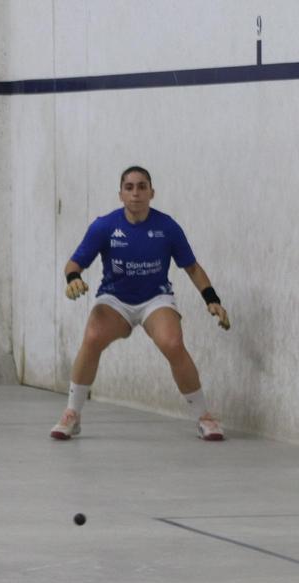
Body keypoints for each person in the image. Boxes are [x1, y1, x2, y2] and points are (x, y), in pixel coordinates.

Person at [51, 166, 231, 442]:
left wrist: (212, 300)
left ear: (151, 192)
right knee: (93, 335)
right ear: (120, 194)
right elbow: (74, 263)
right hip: (115, 299)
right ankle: (72, 414)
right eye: (129, 187)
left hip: (155, 298)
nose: (136, 193)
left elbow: (192, 267)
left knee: (173, 343)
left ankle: (204, 416)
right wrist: (73, 278)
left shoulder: (167, 227)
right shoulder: (104, 226)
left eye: (142, 186)